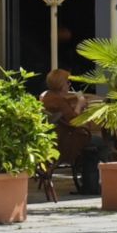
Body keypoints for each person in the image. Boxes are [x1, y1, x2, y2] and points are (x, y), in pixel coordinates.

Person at [40, 69, 99, 197]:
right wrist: (80, 104)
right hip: (66, 142)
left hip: (57, 139)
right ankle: (91, 184)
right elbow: (74, 121)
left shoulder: (48, 98)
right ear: (61, 85)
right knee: (100, 144)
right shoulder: (59, 101)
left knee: (93, 143)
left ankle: (89, 182)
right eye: (67, 82)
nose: (69, 85)